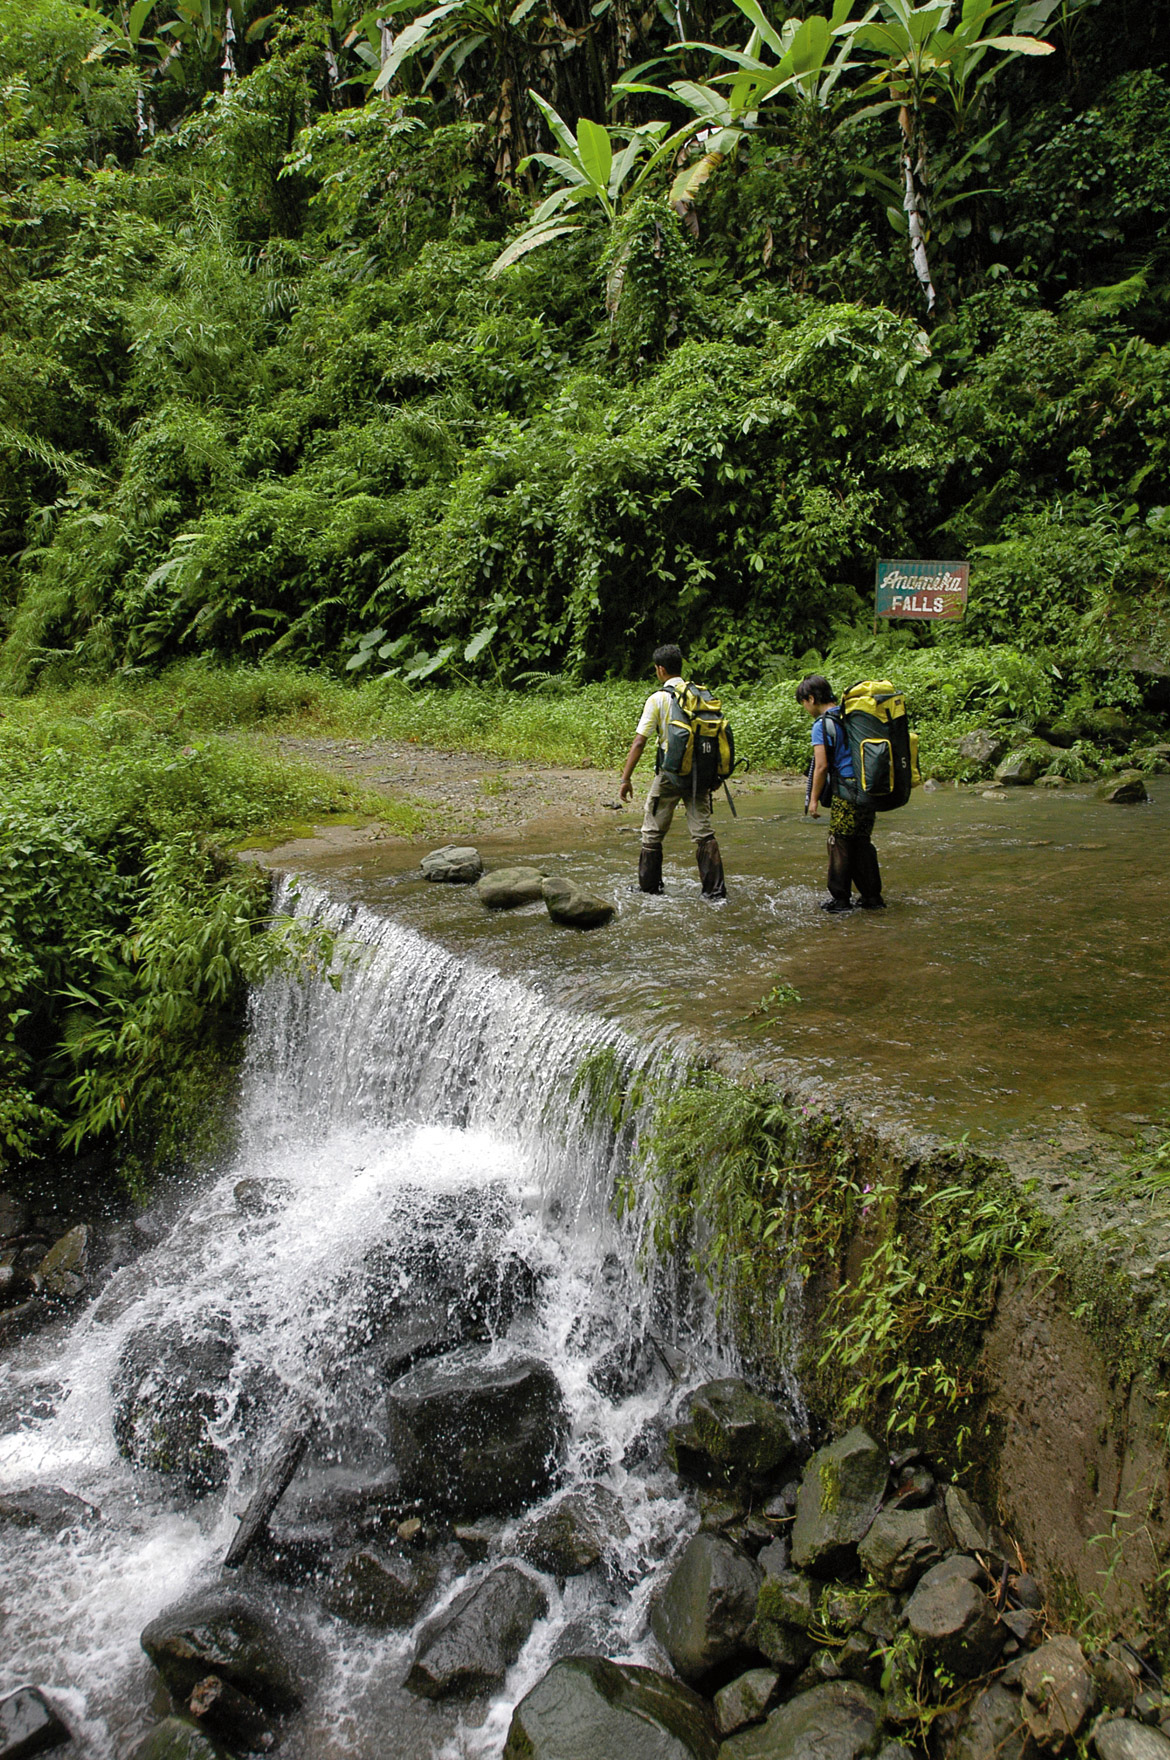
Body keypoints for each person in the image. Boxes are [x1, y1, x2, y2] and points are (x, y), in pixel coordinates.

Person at [619, 644, 728, 901]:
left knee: (652, 830)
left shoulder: (658, 699)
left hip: (669, 776)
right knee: (703, 832)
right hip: (700, 776)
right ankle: (715, 892)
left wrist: (625, 778)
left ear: (660, 669)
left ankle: (649, 889)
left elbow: (639, 742)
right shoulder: (700, 695)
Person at [796, 673, 885, 914]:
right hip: (869, 788)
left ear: (811, 698)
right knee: (861, 842)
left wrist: (813, 801)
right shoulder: (850, 716)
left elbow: (822, 766)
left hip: (847, 792)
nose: (805, 708)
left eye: (804, 703)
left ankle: (841, 900)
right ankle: (872, 897)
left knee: (839, 842)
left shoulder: (821, 725)